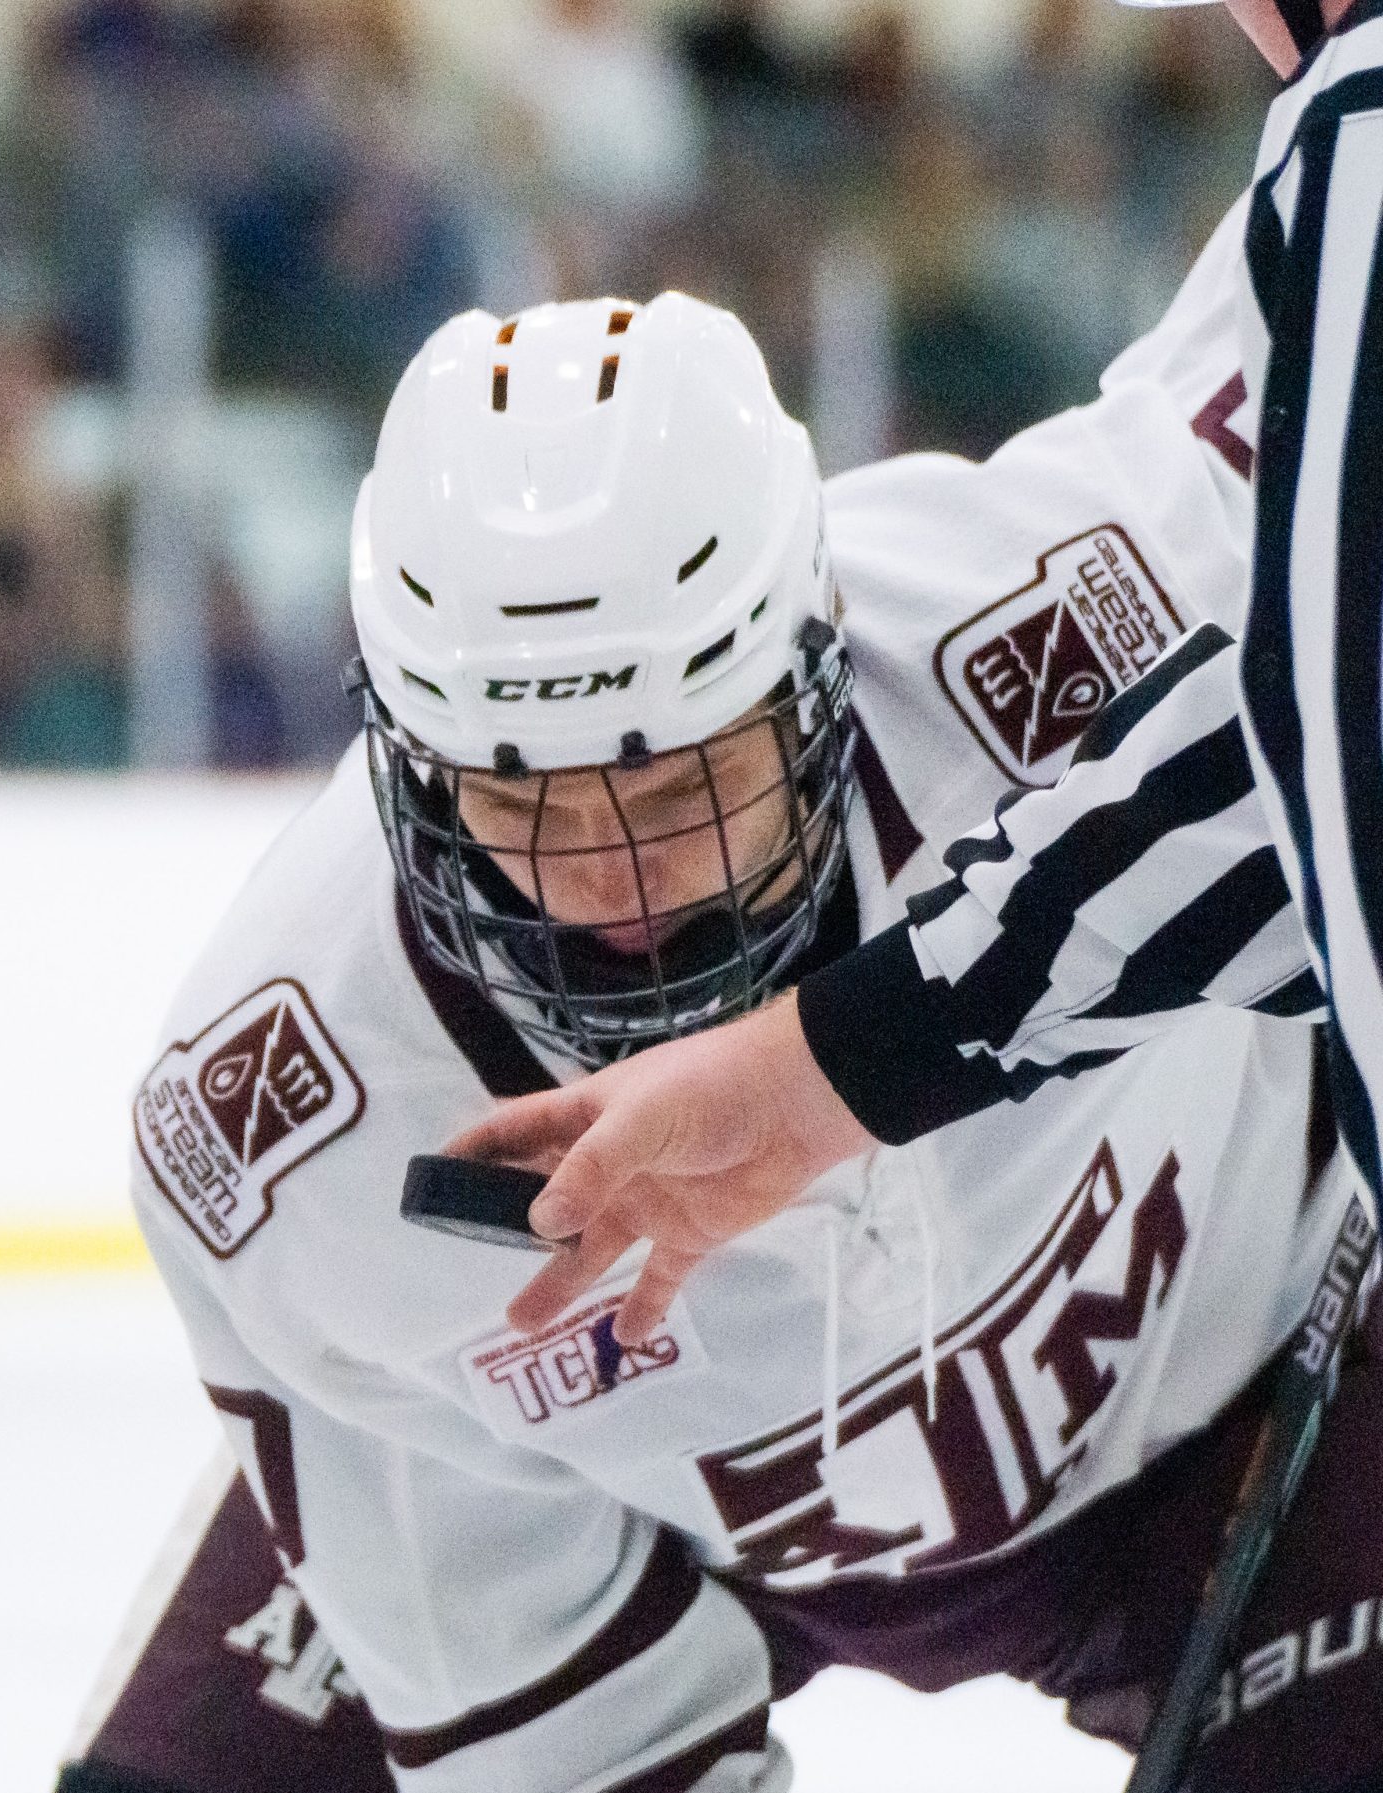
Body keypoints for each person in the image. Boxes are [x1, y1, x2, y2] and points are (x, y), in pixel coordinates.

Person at [58, 296, 1378, 1793]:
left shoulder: (1074, 614)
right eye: (518, 804)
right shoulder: (291, 1133)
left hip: (1272, 1390)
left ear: (815, 676)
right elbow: (571, 1750)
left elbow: (1310, 284)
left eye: (678, 782)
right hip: (665, 1537)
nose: (607, 889)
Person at [463, 0, 1381, 1424]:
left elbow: (1331, 759)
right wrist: (834, 1065)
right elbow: (1315, 767)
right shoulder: (1329, 154)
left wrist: (836, 1061)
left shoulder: (1364, 136)